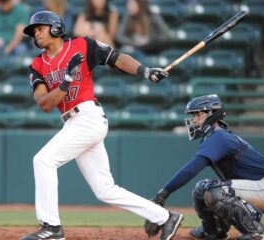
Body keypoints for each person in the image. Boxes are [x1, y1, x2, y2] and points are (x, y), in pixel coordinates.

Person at [20, 10, 183, 240]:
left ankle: (51, 227)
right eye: (33, 31)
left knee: (43, 160)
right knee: (105, 190)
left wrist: (145, 71)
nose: (35, 33)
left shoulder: (81, 45)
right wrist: (66, 81)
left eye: (40, 28)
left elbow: (116, 58)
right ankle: (166, 218)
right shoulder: (37, 65)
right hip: (72, 123)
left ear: (56, 28)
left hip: (88, 117)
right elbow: (45, 104)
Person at [144, 94, 264, 240]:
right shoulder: (214, 137)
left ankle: (256, 231)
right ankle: (215, 231)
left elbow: (192, 168)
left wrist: (162, 195)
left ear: (211, 115)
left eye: (198, 114)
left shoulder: (219, 137)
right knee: (201, 189)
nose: (194, 120)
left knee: (215, 191)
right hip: (257, 188)